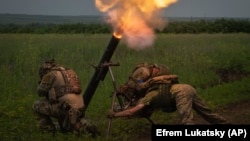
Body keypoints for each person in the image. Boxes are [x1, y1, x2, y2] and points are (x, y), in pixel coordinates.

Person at [108, 62, 229, 125]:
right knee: (206, 112)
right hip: (187, 88)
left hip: (182, 93)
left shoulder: (149, 97)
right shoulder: (157, 88)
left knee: (187, 121)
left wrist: (115, 115)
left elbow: (131, 111)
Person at [32, 59, 100, 136]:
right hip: (80, 108)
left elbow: (40, 92)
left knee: (37, 105)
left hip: (66, 108)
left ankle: (48, 131)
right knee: (67, 124)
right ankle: (84, 126)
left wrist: (41, 82)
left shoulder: (50, 74)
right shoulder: (71, 71)